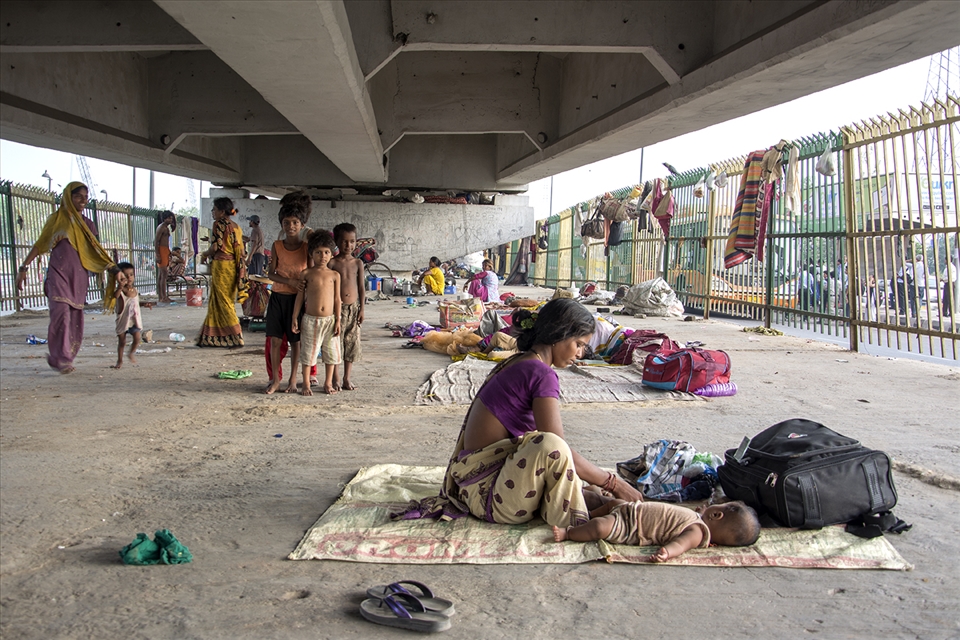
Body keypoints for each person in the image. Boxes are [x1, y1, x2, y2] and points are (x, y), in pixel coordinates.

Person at [396, 298, 643, 529]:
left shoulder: (518, 361)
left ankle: (597, 503)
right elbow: (557, 449)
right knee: (550, 446)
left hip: (472, 488)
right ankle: (584, 515)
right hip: (490, 497)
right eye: (578, 345)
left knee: (585, 484)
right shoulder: (540, 373)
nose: (579, 354)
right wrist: (613, 482)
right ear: (559, 335)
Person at [15, 182, 120, 373]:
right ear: (68, 197)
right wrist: (24, 267)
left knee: (74, 317)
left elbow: (96, 250)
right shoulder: (56, 220)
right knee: (60, 312)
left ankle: (67, 357)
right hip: (58, 273)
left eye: (85, 197)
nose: (83, 201)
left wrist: (114, 269)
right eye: (78, 196)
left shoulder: (87, 225)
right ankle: (59, 358)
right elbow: (40, 244)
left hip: (78, 277)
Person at [552, 499, 760, 562]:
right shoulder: (697, 519)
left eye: (718, 505)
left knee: (600, 527)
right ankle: (587, 515)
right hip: (631, 510)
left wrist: (667, 552)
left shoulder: (697, 532)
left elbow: (682, 544)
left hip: (630, 526)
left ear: (716, 515)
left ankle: (569, 533)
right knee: (611, 504)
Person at [264, 192, 317, 386]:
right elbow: (272, 272)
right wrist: (289, 282)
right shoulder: (278, 243)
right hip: (278, 296)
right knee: (275, 340)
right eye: (286, 222)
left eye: (295, 222)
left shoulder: (308, 239)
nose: (291, 226)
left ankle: (300, 377)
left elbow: (312, 269)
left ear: (302, 221)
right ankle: (275, 378)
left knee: (300, 339)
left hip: (298, 298)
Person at [292, 232, 341, 395]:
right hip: (311, 320)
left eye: (326, 252)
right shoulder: (306, 274)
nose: (323, 256)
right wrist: (294, 317)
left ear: (332, 254)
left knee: (331, 352)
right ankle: (306, 383)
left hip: (330, 321)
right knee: (308, 353)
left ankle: (328, 383)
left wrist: (338, 320)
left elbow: (337, 299)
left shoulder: (335, 275)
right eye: (318, 252)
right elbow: (300, 297)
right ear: (311, 254)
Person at [197, 197, 247, 347]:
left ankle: (235, 335)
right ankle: (211, 337)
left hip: (222, 267)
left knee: (222, 302)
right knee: (224, 301)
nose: (212, 212)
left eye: (214, 209)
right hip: (233, 267)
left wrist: (204, 254)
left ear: (222, 211)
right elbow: (241, 250)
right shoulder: (237, 227)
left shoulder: (219, 224)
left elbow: (215, 247)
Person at [330, 222, 365, 391]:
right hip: (336, 309)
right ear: (336, 242)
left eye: (352, 241)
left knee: (352, 343)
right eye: (344, 241)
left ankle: (347, 378)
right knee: (336, 342)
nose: (348, 245)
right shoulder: (332, 263)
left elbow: (361, 288)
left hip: (354, 308)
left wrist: (362, 309)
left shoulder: (358, 263)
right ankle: (335, 377)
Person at [112, 262, 142, 369]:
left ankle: (131, 353)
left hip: (134, 320)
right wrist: (120, 286)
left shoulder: (135, 290)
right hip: (123, 320)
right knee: (122, 341)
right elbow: (115, 296)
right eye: (126, 275)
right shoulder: (121, 291)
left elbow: (135, 303)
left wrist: (145, 304)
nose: (129, 278)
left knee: (137, 338)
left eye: (131, 275)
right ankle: (119, 360)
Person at [155, 211, 176, 303]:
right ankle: (163, 297)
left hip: (165, 250)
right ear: (164, 218)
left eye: (171, 218)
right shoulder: (161, 227)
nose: (171, 220)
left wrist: (168, 251)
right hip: (161, 250)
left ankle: (161, 297)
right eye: (169, 218)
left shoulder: (166, 228)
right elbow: (156, 241)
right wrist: (157, 254)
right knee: (164, 274)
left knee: (161, 275)